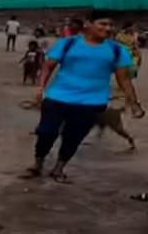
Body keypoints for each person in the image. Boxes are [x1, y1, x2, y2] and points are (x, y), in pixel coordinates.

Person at [22, 11, 145, 183]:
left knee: (73, 137)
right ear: (88, 24)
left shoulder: (117, 50)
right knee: (46, 132)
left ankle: (59, 169)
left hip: (92, 103)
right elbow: (48, 66)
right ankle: (38, 164)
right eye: (102, 24)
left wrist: (134, 103)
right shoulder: (68, 43)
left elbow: (124, 80)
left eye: (110, 25)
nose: (107, 28)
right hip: (57, 97)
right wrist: (40, 87)